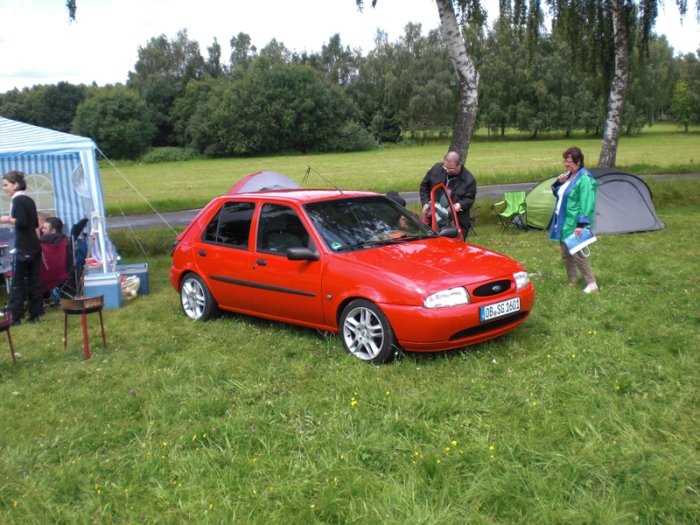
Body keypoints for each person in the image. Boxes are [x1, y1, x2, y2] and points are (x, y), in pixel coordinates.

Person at [547, 147, 598, 293]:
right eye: (565, 161)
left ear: (579, 161)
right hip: (563, 222)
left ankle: (591, 283)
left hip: (574, 223)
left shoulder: (585, 178)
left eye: (569, 161)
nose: (566, 164)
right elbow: (560, 194)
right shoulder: (569, 176)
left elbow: (587, 203)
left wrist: (581, 224)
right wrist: (558, 183)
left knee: (578, 253)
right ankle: (572, 281)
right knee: (567, 254)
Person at [1, 171, 44, 324]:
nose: (4, 188)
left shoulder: (18, 200)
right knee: (34, 280)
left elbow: (23, 222)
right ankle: (35, 314)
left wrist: (5, 219)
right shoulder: (29, 199)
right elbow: (35, 224)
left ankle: (15, 316)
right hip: (34, 244)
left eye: (6, 185)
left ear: (16, 185)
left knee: (18, 282)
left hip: (24, 246)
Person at [419, 150, 477, 237]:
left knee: (455, 246)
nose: (447, 171)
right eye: (445, 167)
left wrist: (459, 205)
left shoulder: (469, 180)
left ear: (459, 165)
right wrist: (425, 203)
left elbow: (469, 199)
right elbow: (424, 187)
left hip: (456, 220)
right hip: (434, 217)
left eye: (451, 168)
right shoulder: (436, 169)